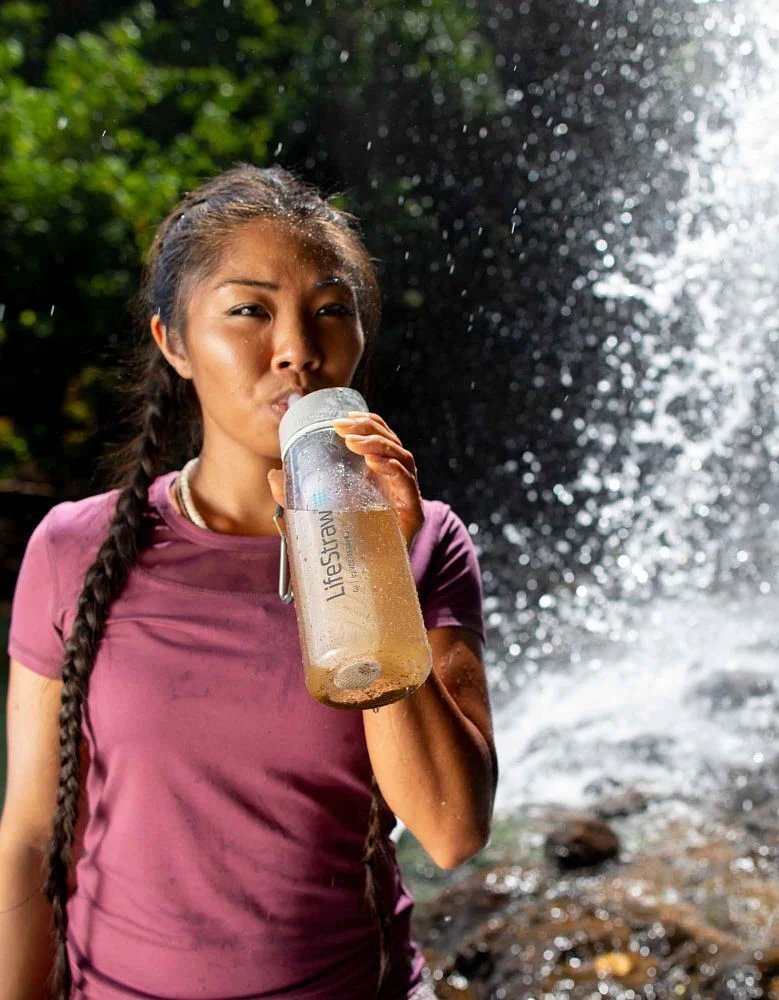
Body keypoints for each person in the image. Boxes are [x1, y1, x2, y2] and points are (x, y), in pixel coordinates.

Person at [0, 165, 497, 1000]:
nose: (298, 348)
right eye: (249, 311)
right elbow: (31, 837)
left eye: (330, 310)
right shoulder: (74, 548)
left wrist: (369, 562)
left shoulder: (425, 540)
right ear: (173, 342)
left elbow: (450, 831)